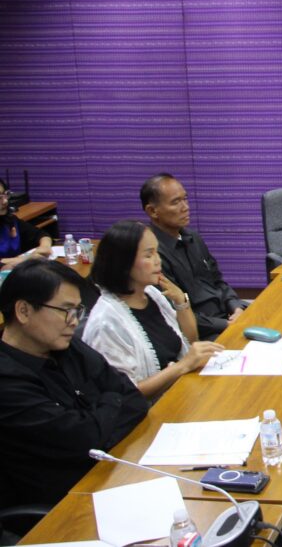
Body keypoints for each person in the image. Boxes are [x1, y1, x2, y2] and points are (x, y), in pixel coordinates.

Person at [0, 258, 148, 510]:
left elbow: (134, 399)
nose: (74, 321)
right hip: (66, 506)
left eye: (77, 311)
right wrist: (111, 401)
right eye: (65, 310)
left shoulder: (66, 346)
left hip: (114, 471)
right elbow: (84, 440)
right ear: (23, 311)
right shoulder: (7, 381)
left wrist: (97, 424)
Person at [83, 220, 222, 400]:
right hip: (149, 409)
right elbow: (124, 395)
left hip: (181, 391)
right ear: (123, 263)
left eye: (157, 252)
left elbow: (190, 341)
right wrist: (182, 366)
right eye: (149, 255)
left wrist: (181, 301)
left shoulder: (151, 294)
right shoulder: (106, 323)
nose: (158, 261)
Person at [141, 174, 244, 340]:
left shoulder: (193, 238)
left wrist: (236, 307)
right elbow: (173, 311)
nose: (185, 207)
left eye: (185, 199)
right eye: (176, 202)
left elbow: (218, 281)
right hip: (202, 333)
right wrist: (226, 324)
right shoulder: (153, 255)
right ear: (153, 211)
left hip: (227, 316)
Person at [0, 178, 53, 270]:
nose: (5, 201)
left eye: (5, 194)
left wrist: (45, 246)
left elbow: (40, 234)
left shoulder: (9, 219)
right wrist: (26, 259)